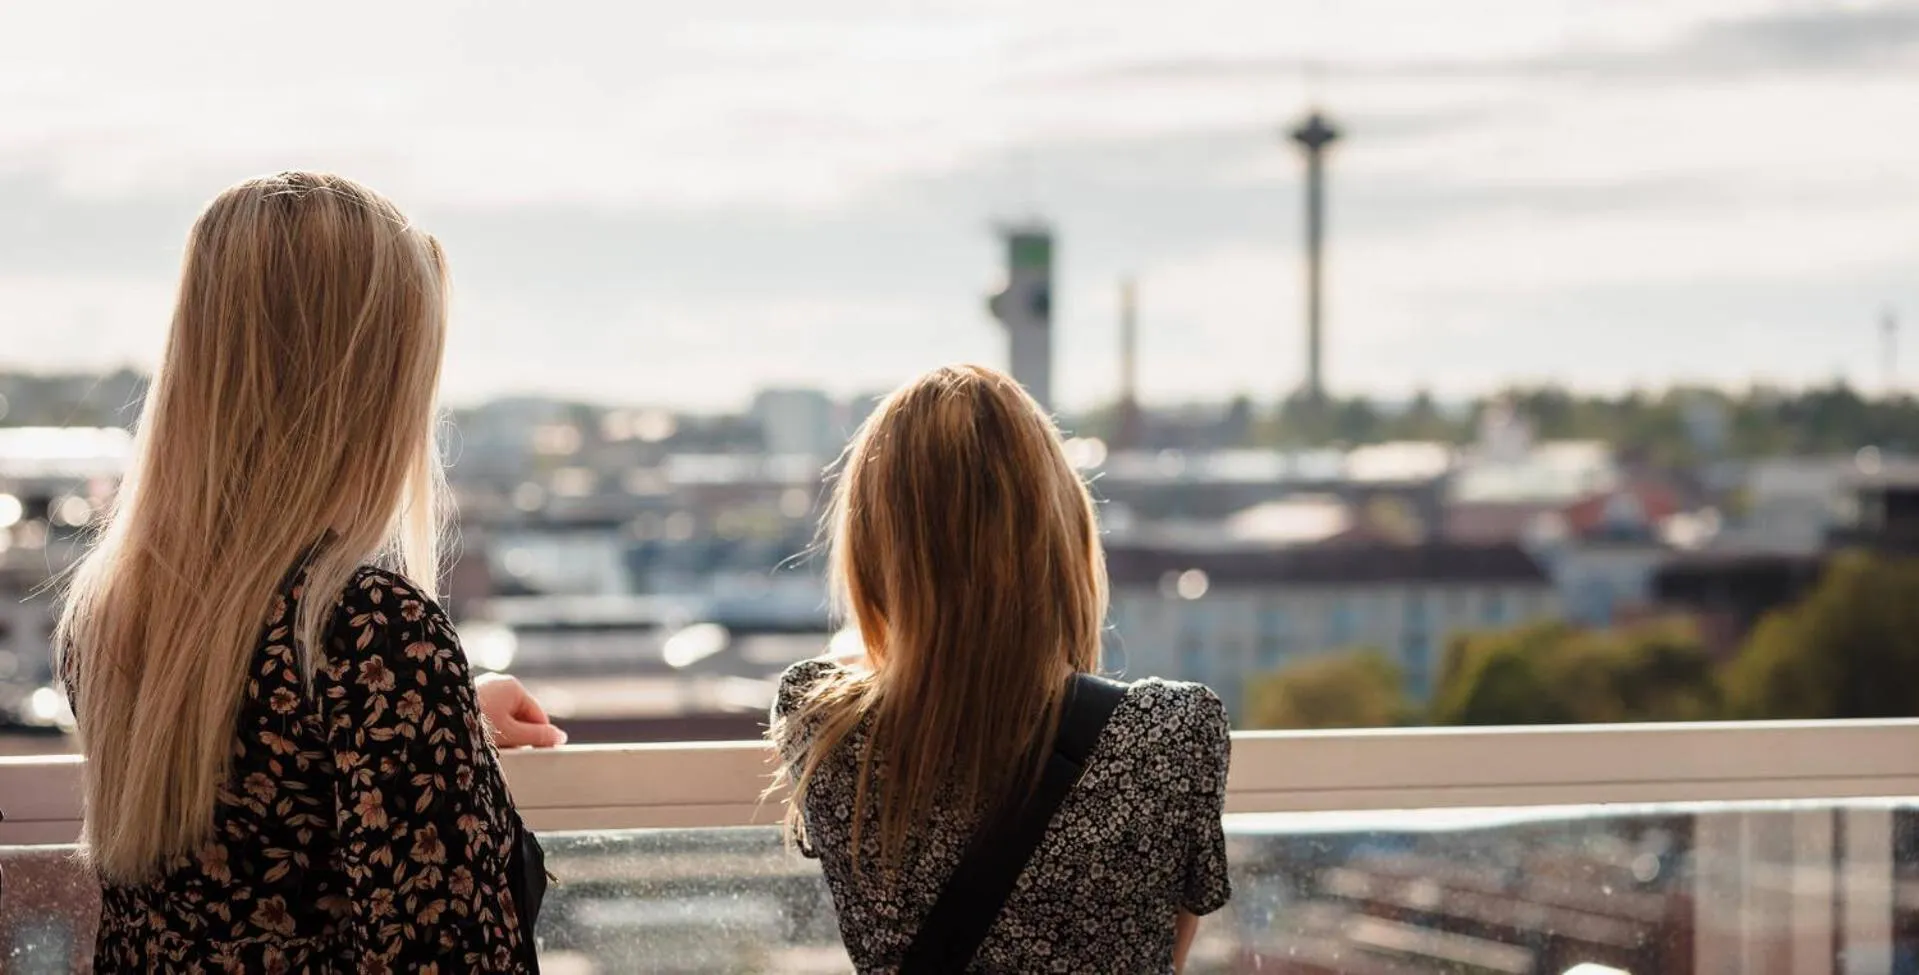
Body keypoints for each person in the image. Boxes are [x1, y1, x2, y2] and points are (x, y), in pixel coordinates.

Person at [56, 171, 562, 973]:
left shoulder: (114, 607)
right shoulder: (369, 628)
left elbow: (250, 776)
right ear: (368, 390)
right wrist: (419, 704)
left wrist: (444, 721)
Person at [769, 365, 1232, 974]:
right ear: (1061, 529)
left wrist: (928, 630)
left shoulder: (821, 723)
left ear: (875, 546)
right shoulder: (1172, 732)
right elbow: (1168, 952)